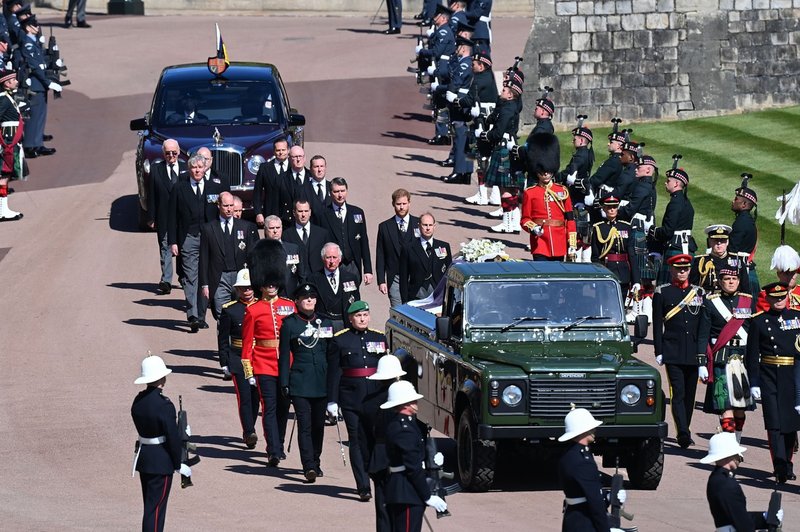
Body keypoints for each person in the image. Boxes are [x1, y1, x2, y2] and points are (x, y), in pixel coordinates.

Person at [241, 239, 295, 466]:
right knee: (269, 408)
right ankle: (273, 449)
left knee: (283, 408)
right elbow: (246, 344)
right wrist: (248, 371)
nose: (271, 285)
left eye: (274, 282)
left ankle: (279, 444)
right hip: (263, 364)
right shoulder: (253, 310)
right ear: (260, 283)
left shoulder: (289, 306)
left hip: (287, 364)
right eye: (267, 282)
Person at [328, 300, 388, 501]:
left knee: (373, 439)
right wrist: (332, 401)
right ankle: (363, 486)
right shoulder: (340, 340)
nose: (362, 319)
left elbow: (387, 370)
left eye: (365, 315)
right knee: (355, 440)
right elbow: (334, 373)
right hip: (351, 398)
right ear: (350, 319)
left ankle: (376, 475)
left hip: (375, 397)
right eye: (358, 316)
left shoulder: (379, 338)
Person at [279, 283, 336, 482]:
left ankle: (316, 460)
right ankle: (308, 466)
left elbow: (332, 355)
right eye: (305, 298)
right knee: (304, 424)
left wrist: (334, 384)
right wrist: (284, 382)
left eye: (312, 297)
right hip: (300, 382)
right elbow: (284, 357)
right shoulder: (290, 324)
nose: (309, 300)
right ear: (297, 301)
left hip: (321, 381)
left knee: (318, 426)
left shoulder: (326, 323)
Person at [746, 282, 800, 483]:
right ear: (767, 299)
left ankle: (787, 461)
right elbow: (751, 356)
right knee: (774, 423)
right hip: (769, 376)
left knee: (790, 424)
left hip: (792, 376)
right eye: (775, 298)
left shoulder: (797, 318)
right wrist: (754, 382)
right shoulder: (759, 321)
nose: (779, 301)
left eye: (782, 297)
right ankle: (779, 465)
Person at [168, 154, 227, 331]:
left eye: (200, 167)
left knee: (206, 277)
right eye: (194, 168)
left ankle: (201, 315)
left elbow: (221, 214)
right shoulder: (179, 188)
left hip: (209, 238)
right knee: (190, 276)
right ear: (189, 169)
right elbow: (172, 217)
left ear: (205, 168)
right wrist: (173, 242)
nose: (197, 171)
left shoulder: (213, 187)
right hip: (188, 238)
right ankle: (192, 314)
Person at [652, 254, 703, 449]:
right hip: (672, 350)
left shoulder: (699, 293)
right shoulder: (662, 292)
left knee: (690, 395)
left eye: (686, 269)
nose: (682, 272)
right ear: (671, 270)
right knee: (678, 392)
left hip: (693, 352)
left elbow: (702, 325)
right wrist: (659, 350)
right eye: (678, 269)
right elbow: (657, 324)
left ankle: (685, 426)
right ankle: (683, 432)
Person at [131, 355, 187, 532]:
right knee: (156, 511)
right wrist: (178, 463)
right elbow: (171, 436)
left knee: (150, 508)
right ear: (160, 378)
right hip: (161, 462)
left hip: (145, 458)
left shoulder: (138, 401)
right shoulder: (165, 405)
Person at [382, 380, 447, 532]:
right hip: (406, 491)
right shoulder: (403, 429)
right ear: (405, 404)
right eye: (413, 400)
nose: (416, 401)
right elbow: (413, 467)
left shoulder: (407, 424)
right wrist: (427, 495)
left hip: (407, 490)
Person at [697, 267, 754, 441]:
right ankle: (730, 445)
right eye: (727, 279)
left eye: (734, 279)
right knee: (725, 404)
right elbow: (703, 334)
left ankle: (737, 439)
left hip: (744, 357)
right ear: (720, 281)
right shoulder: (710, 302)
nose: (731, 282)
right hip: (722, 357)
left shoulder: (748, 301)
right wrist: (701, 362)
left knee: (740, 406)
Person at [557, 408, 624, 532]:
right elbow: (595, 502)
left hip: (574, 519)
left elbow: (582, 490)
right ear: (582, 430)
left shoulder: (571, 454)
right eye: (590, 428)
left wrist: (608, 496)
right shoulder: (582, 461)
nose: (594, 430)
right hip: (584, 523)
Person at [198, 191, 259, 324]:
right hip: (219, 278)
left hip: (241, 277)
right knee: (222, 316)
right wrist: (204, 284)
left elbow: (253, 256)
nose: (230, 209)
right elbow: (204, 258)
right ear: (218, 205)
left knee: (242, 315)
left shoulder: (246, 227)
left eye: (231, 205)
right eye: (226, 206)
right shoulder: (208, 229)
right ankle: (224, 344)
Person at [701, 432, 782, 530]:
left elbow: (738, 515)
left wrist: (764, 517)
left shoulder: (716, 478)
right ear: (727, 455)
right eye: (735, 453)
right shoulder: (727, 484)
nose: (739, 458)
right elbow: (743, 524)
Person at [218, 268, 260, 448]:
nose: (247, 291)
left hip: (259, 357)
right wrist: (224, 362)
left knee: (256, 397)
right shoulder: (230, 310)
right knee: (244, 397)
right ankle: (249, 431)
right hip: (238, 356)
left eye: (250, 287)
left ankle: (251, 426)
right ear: (238, 290)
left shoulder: (262, 306)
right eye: (243, 288)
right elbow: (223, 338)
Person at [520, 133, 577, 260]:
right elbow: (525, 219)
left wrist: (572, 243)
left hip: (560, 242)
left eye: (548, 171)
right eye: (542, 171)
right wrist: (533, 227)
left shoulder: (562, 191)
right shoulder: (530, 192)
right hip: (540, 243)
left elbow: (570, 219)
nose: (545, 174)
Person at [366, 355, 406, 532]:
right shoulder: (404, 399)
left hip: (378, 459)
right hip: (400, 459)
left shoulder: (367, 402)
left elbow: (364, 437)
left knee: (382, 510)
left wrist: (370, 462)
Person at [646, 155, 696, 284]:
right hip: (686, 246)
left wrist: (652, 230)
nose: (665, 182)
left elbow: (668, 231)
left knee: (669, 285)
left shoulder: (675, 202)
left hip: (675, 247)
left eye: (668, 181)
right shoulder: (686, 202)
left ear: (676, 183)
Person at [483, 78, 523, 232]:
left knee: (504, 187)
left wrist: (487, 135)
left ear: (511, 95)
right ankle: (513, 222)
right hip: (509, 146)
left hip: (503, 148)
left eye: (505, 90)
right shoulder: (511, 106)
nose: (502, 92)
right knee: (512, 188)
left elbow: (498, 132)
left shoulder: (507, 109)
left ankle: (507, 224)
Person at [461, 49, 499, 205]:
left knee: (483, 158)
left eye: (474, 64)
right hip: (486, 121)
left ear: (482, 66)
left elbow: (469, 99)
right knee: (485, 158)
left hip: (483, 123)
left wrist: (457, 100)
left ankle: (486, 195)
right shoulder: (487, 77)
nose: (472, 66)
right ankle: (489, 194)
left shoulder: (479, 80)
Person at [148, 140, 185, 294]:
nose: (171, 156)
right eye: (167, 153)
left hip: (183, 218)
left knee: (184, 249)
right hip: (164, 216)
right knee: (165, 248)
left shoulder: (185, 169)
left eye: (174, 153)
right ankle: (166, 281)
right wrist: (151, 217)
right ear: (163, 153)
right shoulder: (156, 169)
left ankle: (184, 277)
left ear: (178, 152)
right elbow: (151, 195)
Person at [19, 16, 59, 159]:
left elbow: (41, 62)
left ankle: (38, 143)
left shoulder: (34, 42)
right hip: (35, 84)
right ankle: (30, 145)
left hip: (40, 83)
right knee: (34, 116)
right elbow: (35, 67)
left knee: (41, 115)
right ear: (28, 28)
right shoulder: (27, 44)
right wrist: (48, 82)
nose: (37, 28)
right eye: (34, 26)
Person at [320, 177, 373, 285]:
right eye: (336, 191)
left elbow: (364, 242)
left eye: (342, 191)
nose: (340, 195)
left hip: (353, 265)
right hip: (332, 265)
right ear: (330, 193)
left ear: (347, 191)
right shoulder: (322, 214)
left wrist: (368, 270)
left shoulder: (357, 212)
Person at [376, 189, 420, 307]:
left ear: (409, 203)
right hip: (395, 278)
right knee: (398, 312)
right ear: (393, 204)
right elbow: (380, 255)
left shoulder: (419, 224)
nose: (401, 207)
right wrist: (381, 281)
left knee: (414, 313)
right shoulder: (385, 227)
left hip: (414, 278)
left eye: (404, 204)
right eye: (398, 204)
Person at [441, 36, 474, 184]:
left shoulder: (465, 65)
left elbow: (457, 81)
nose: (456, 49)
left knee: (461, 137)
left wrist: (451, 93)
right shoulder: (462, 62)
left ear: (464, 48)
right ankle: (465, 171)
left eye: (459, 46)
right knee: (462, 137)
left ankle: (460, 171)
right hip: (462, 102)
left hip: (460, 103)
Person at [398, 212, 452, 303]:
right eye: (425, 225)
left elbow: (449, 273)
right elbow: (403, 277)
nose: (428, 228)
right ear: (419, 226)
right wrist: (405, 301)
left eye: (430, 225)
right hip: (417, 295)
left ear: (434, 226)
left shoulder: (443, 246)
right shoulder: (408, 248)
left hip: (438, 295)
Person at [312, 242, 361, 331]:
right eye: (328, 257)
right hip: (323, 324)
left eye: (334, 257)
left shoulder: (350, 278)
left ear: (340, 259)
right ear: (323, 259)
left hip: (345, 323)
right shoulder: (313, 278)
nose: (331, 261)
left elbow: (356, 302)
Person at [689, 224, 746, 294]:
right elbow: (693, 286)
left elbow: (745, 287)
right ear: (709, 242)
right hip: (708, 300)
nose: (719, 243)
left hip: (732, 300)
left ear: (727, 242)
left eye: (722, 240)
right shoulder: (701, 261)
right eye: (715, 240)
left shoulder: (737, 260)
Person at [729, 175, 760, 299]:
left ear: (744, 204)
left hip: (742, 270)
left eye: (736, 199)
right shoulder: (747, 220)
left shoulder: (741, 222)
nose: (733, 201)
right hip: (746, 266)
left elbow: (732, 248)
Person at [281, 199, 331, 275]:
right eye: (300, 211)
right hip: (296, 279)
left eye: (306, 211)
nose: (303, 214)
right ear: (294, 213)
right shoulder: (286, 235)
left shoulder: (322, 234)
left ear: (310, 212)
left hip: (318, 278)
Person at [263, 214, 307, 298]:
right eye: (272, 228)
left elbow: (302, 275)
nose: (275, 231)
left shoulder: (293, 248)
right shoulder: (260, 250)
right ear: (265, 230)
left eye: (278, 228)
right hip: (271, 296)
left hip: (292, 295)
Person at [0, 68, 23, 221]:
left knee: (6, 175)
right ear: (7, 83)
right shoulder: (3, 98)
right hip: (7, 140)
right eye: (13, 80)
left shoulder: (8, 97)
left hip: (11, 139)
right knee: (3, 175)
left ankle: (4, 208)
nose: (16, 81)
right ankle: (2, 210)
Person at [253, 137, 290, 229]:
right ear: (274, 151)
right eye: (278, 150)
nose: (281, 152)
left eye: (283, 150)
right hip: (270, 214)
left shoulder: (293, 168)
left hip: (290, 217)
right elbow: (257, 192)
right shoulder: (264, 168)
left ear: (288, 150)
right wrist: (258, 213)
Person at [756, 244, 800, 311]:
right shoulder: (766, 294)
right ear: (778, 274)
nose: (790, 277)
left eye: (793, 273)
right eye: (786, 274)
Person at [304, 154, 331, 225]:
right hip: (312, 231)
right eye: (316, 167)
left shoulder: (332, 187)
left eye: (322, 166)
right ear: (310, 169)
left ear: (325, 168)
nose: (319, 170)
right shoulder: (303, 189)